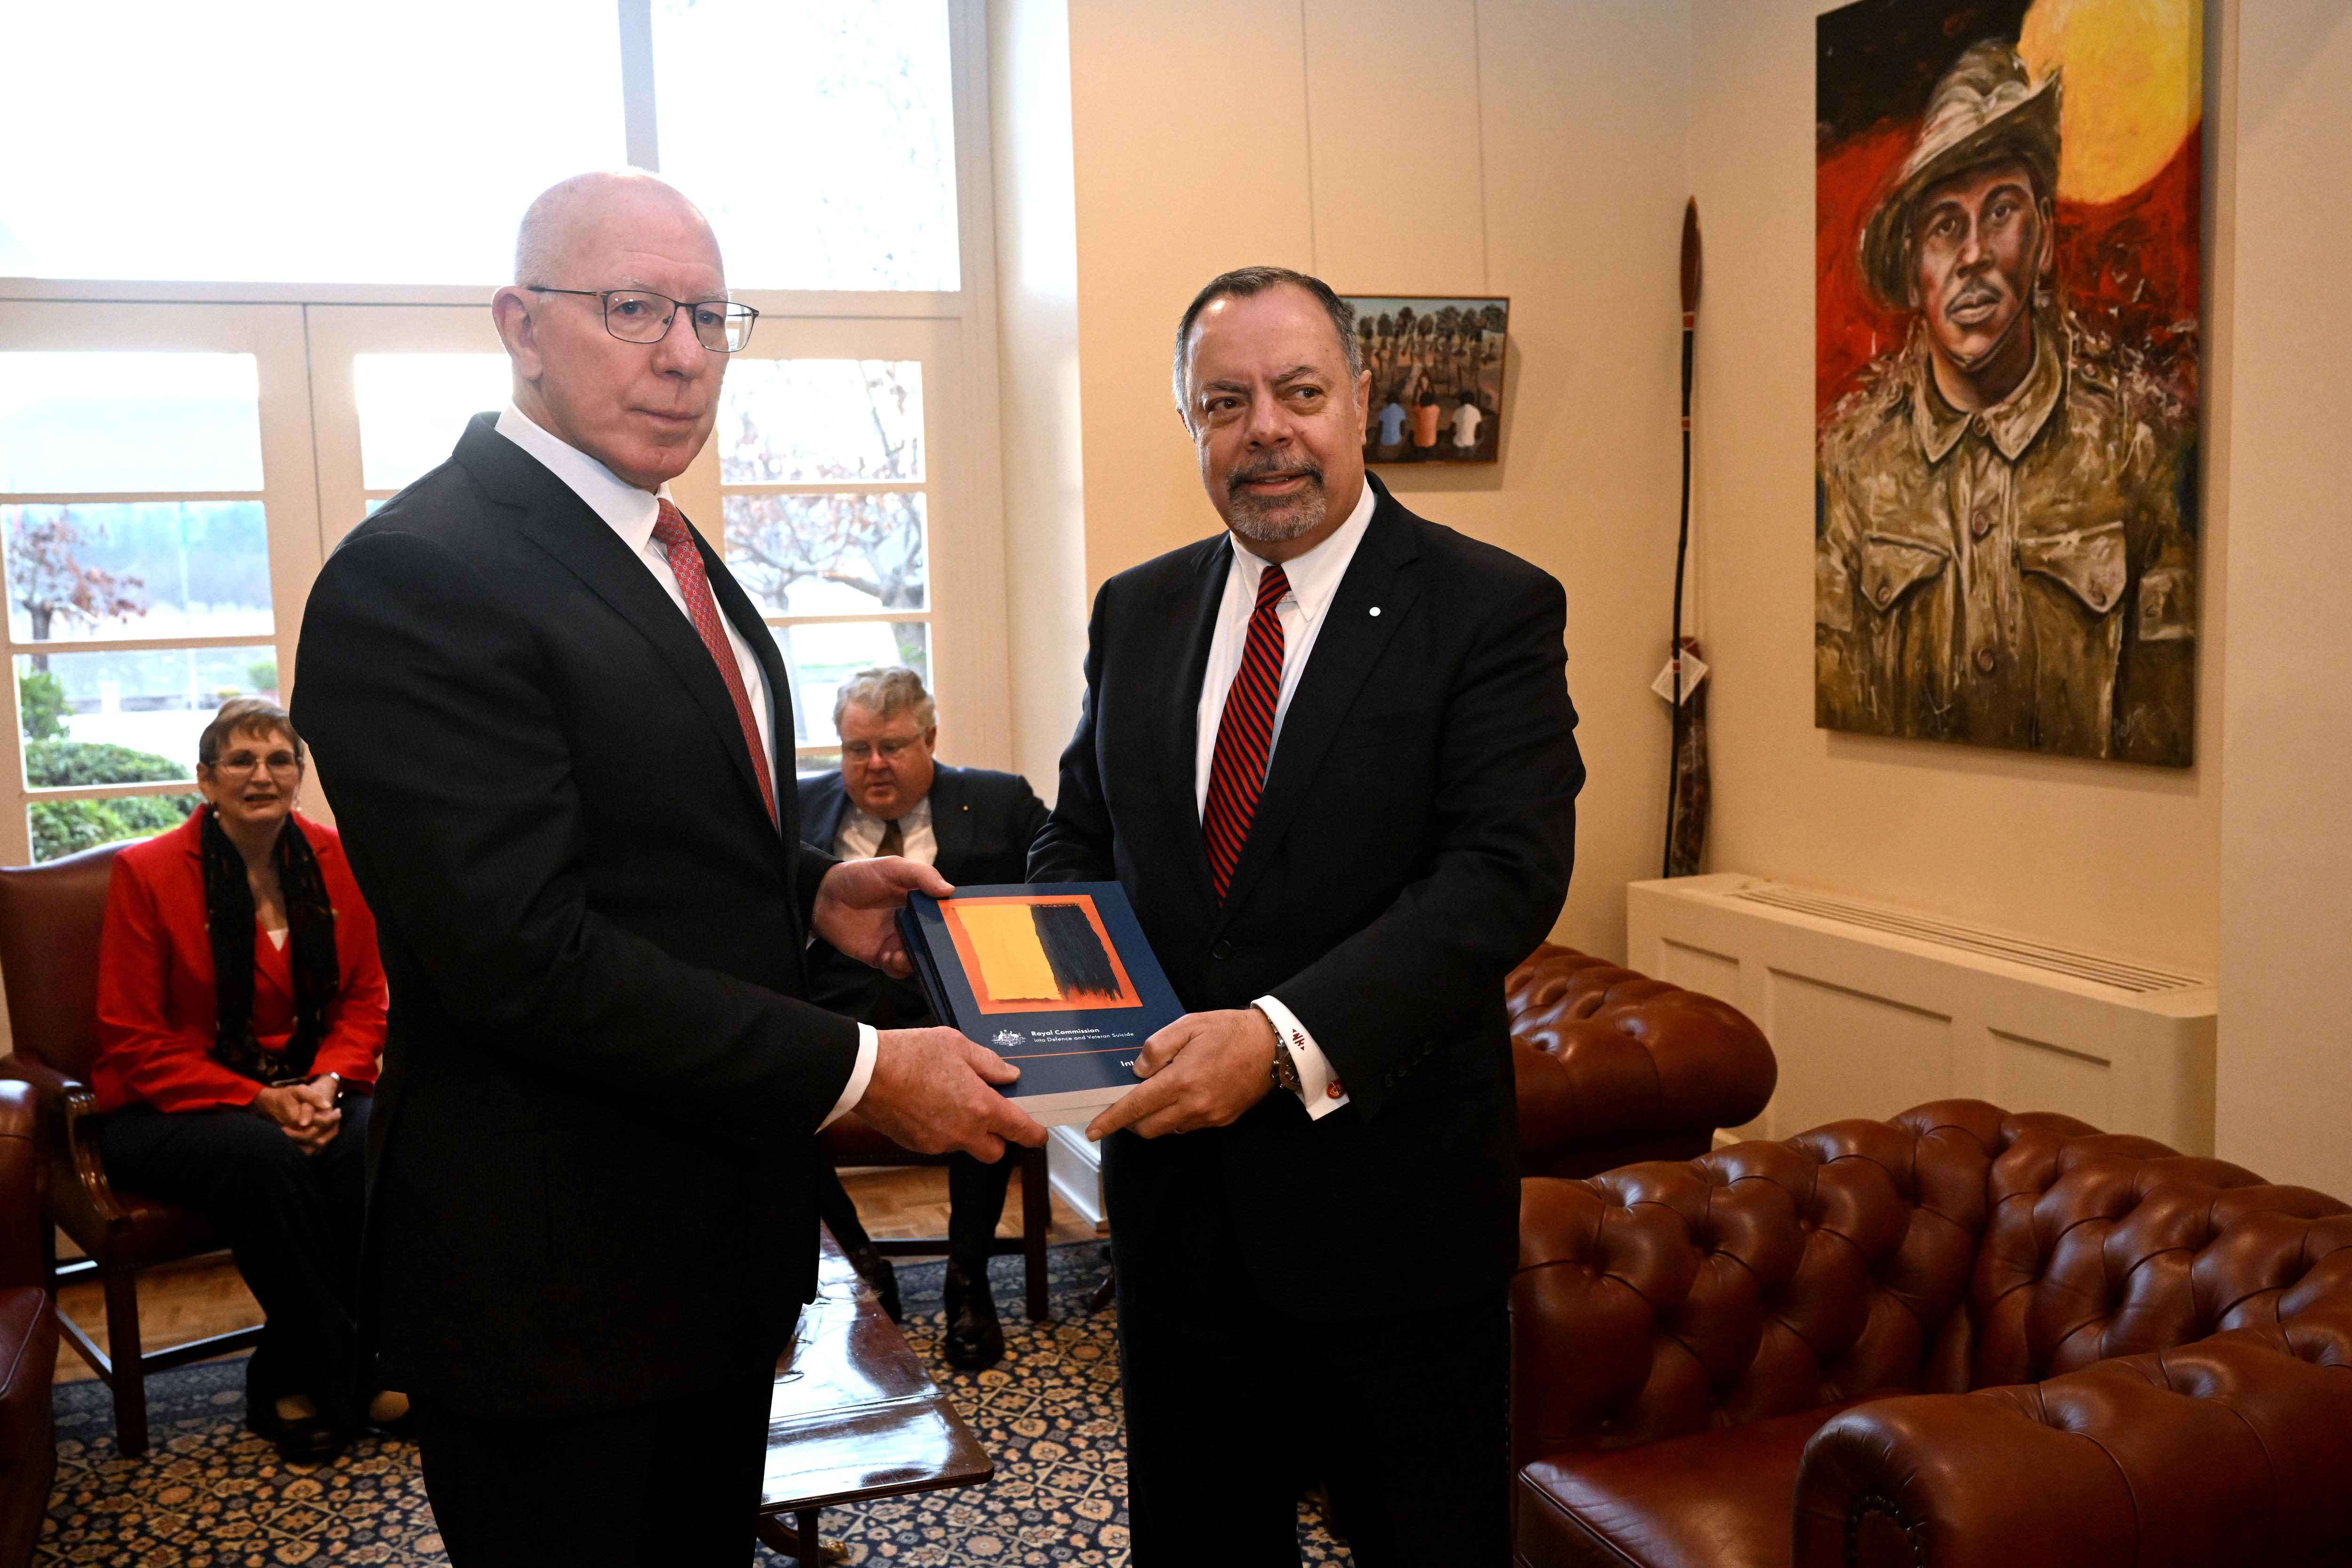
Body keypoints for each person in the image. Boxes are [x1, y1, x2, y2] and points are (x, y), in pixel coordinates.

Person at [291, 170, 1042, 1567]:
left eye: (709, 315)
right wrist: (866, 1069)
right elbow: (522, 952)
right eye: (633, 308)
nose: (685, 354)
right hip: (554, 1283)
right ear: (521, 324)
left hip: (711, 1258)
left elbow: (653, 829)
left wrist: (808, 888)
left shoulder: (661, 541)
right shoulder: (422, 573)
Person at [1029, 265, 1583, 1566]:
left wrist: (1277, 1039)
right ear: (1190, 421)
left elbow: (1502, 871)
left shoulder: (1489, 607)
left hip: (1389, 1220)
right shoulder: (1137, 608)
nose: (1265, 430)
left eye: (1298, 391)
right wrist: (1032, 995)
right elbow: (1079, 843)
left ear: (1362, 397)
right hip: (1178, 1217)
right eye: (1226, 402)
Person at [1816, 40, 2196, 764]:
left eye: (2000, 213)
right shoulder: (1857, 470)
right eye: (1945, 226)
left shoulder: (2134, 457)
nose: (1974, 255)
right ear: (1915, 271)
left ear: (2044, 239)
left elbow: (2166, 718)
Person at [92, 697, 393, 1463]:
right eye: (241, 760)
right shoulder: (146, 872)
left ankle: (283, 1376)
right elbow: (133, 1039)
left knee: (370, 1138)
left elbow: (367, 999)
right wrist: (259, 1100)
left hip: (311, 1086)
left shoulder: (341, 859)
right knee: (265, 1156)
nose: (262, 775)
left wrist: (327, 1085)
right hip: (169, 1104)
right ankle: (355, 1377)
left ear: (299, 775)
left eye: (280, 759)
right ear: (206, 779)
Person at [799, 665, 1051, 1368]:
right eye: (857, 749)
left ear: (931, 739)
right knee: (773, 1083)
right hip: (835, 1018)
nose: (874, 764)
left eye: (893, 746)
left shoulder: (999, 801)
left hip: (956, 1011)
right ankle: (862, 1261)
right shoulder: (799, 810)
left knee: (988, 1080)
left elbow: (1057, 891)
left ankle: (967, 1277)